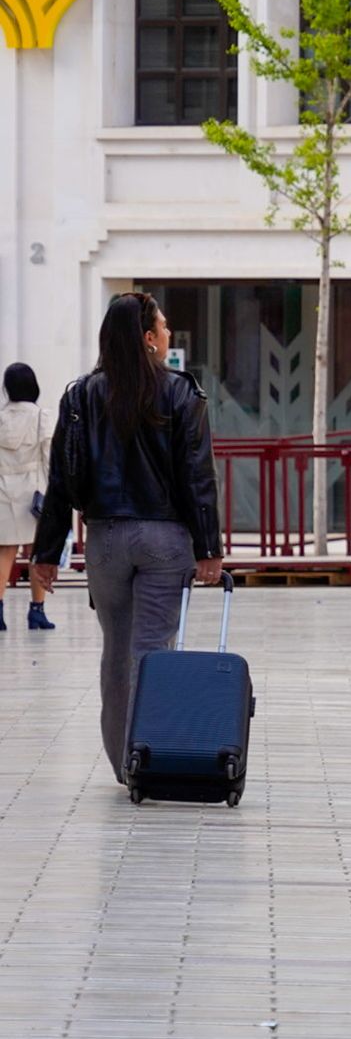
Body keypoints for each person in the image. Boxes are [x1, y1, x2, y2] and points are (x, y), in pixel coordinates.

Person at [31, 293, 223, 781]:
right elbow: (197, 476)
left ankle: (124, 762)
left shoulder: (81, 396)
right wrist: (208, 548)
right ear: (147, 339)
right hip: (165, 540)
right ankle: (152, 753)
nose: (165, 333)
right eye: (161, 326)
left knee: (117, 650)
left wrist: (47, 553)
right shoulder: (182, 393)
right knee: (154, 648)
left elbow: (61, 476)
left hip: (105, 538)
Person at [0, 364, 57, 631]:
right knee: (39, 554)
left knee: (4, 553)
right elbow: (50, 459)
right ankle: (37, 611)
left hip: (3, 493)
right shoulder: (42, 417)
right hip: (35, 494)